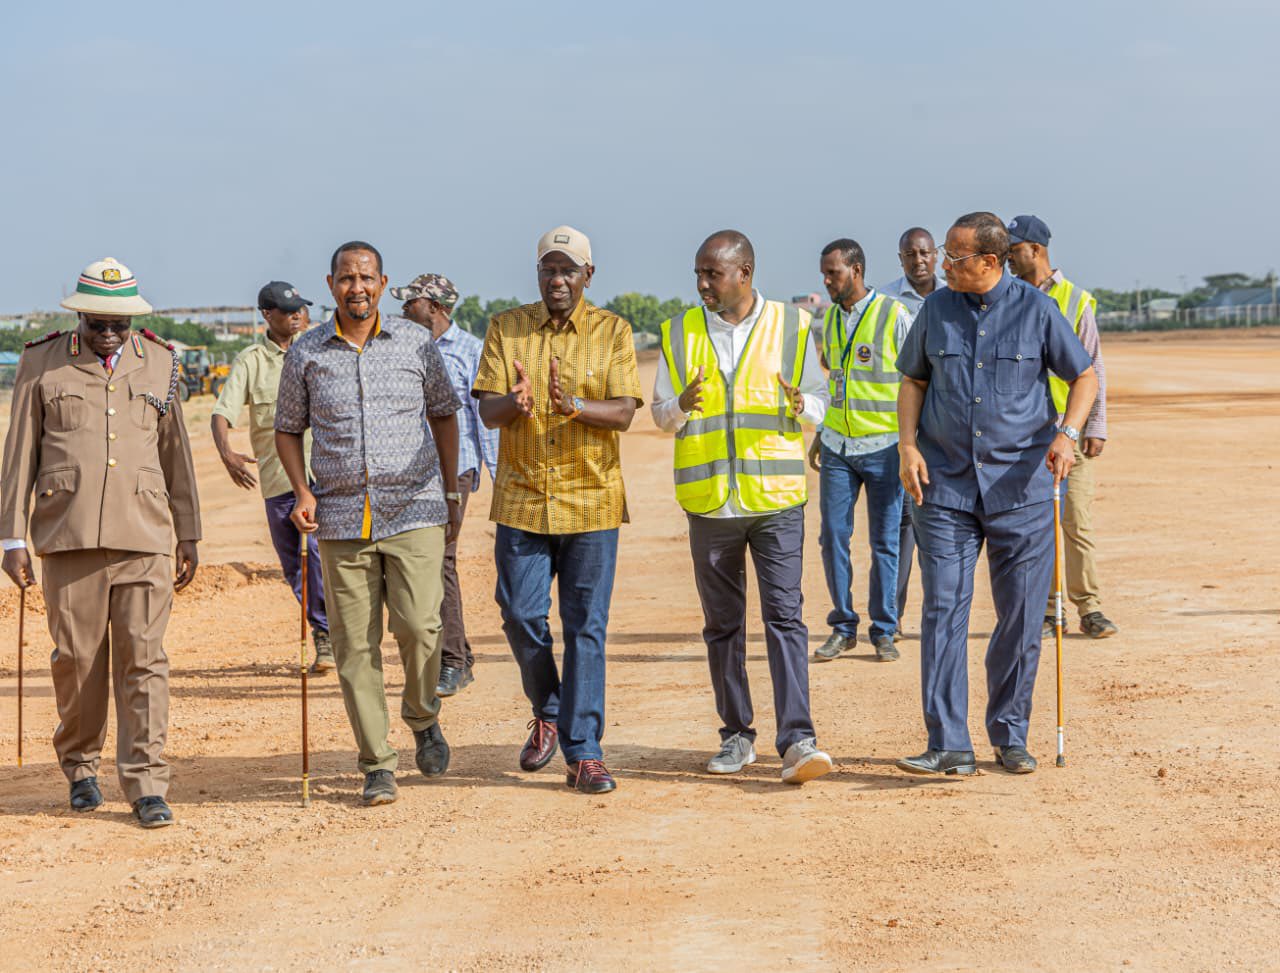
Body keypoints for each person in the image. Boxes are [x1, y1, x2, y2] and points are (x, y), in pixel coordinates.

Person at [895, 212, 1098, 777]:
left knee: (1021, 618)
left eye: (954, 257)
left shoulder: (1038, 310)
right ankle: (948, 744)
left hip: (1022, 490)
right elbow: (913, 380)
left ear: (990, 261)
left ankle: (1010, 735)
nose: (943, 265)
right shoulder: (935, 310)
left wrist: (1068, 433)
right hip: (945, 488)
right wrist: (907, 446)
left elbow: (1084, 377)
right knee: (943, 610)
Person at [1, 257, 200, 828]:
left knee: (144, 659)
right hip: (70, 536)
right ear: (80, 316)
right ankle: (81, 767)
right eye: (98, 322)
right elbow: (19, 453)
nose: (109, 332)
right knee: (78, 661)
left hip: (145, 534)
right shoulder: (42, 362)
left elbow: (175, 453)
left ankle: (146, 782)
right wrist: (12, 537)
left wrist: (188, 531)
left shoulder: (161, 362)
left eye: (119, 322)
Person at [274, 241, 462, 807]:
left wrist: (451, 487)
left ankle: (422, 716)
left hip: (415, 507)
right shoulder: (306, 352)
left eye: (367, 277)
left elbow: (444, 414)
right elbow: (287, 429)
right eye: (346, 278)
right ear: (331, 284)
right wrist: (302, 491)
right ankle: (377, 762)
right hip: (339, 516)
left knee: (421, 626)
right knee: (355, 645)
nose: (357, 287)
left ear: (382, 283)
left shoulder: (414, 341)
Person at [653, 230, 833, 785]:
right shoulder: (679, 332)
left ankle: (797, 740)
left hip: (775, 501)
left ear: (744, 273)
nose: (702, 284)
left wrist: (802, 405)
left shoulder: (793, 326)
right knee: (723, 626)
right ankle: (736, 735)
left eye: (712, 274)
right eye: (698, 274)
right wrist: (680, 405)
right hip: (710, 504)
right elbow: (660, 414)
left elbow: (821, 404)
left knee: (785, 619)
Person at [473, 225, 642, 795]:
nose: (558, 280)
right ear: (538, 273)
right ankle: (549, 707)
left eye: (568, 270)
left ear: (588, 275)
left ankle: (584, 753)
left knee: (586, 627)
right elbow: (488, 412)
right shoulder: (506, 328)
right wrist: (514, 401)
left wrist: (574, 406)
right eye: (549, 269)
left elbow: (624, 412)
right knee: (519, 614)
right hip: (523, 498)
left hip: (591, 499)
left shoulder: (613, 331)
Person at [1005, 215, 1118, 640]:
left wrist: (1096, 424)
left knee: (1076, 521)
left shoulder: (1075, 299)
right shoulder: (1008, 296)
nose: (1007, 258)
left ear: (1035, 249)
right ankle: (1051, 610)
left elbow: (1093, 367)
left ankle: (1089, 607)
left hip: (1068, 432)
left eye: (1013, 250)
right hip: (1024, 435)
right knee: (1038, 527)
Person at [210, 281, 332, 673]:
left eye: (300, 309)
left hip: (326, 475)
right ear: (267, 314)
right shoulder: (251, 362)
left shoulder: (319, 351)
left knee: (321, 553)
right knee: (295, 566)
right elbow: (222, 412)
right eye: (287, 310)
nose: (297, 316)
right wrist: (227, 453)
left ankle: (332, 632)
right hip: (279, 479)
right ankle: (324, 630)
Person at [391, 272, 498, 696]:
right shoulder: (404, 347)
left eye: (411, 302)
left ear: (435, 307)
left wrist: (497, 475)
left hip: (456, 469)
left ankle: (452, 661)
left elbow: (484, 417)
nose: (403, 309)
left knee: (441, 560)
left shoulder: (471, 351)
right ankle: (454, 657)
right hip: (411, 472)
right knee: (417, 562)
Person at [808, 239, 912, 664]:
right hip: (838, 446)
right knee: (833, 536)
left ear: (856, 270)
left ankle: (884, 629)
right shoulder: (830, 318)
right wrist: (820, 431)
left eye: (833, 273)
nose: (827, 282)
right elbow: (834, 381)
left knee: (885, 542)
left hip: (885, 447)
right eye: (824, 274)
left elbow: (916, 381)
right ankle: (843, 627)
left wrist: (911, 444)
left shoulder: (894, 315)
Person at [877, 227, 947, 627]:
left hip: (946, 427)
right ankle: (894, 614)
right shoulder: (884, 301)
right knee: (902, 523)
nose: (918, 260)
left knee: (941, 524)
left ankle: (938, 615)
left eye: (924, 253)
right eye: (910, 255)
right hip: (902, 428)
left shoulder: (955, 296)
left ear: (935, 255)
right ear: (900, 259)